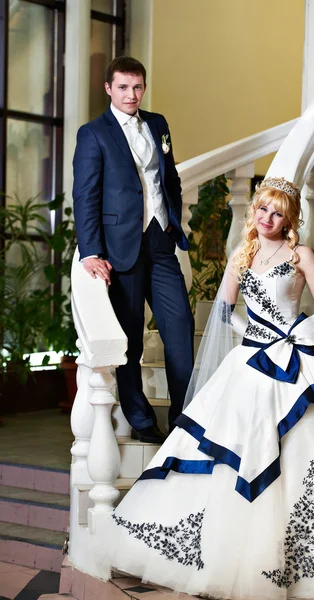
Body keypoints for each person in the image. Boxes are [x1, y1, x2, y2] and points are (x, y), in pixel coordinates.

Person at [103, 177, 314, 600]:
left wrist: (294, 333)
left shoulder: (302, 255)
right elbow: (223, 308)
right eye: (262, 209)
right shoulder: (242, 255)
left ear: (290, 218)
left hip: (296, 361)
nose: (267, 218)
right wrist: (255, 334)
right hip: (251, 357)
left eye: (277, 212)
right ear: (253, 211)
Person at [73, 56, 194, 443]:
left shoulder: (157, 124)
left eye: (137, 87)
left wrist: (172, 221)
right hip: (119, 248)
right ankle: (141, 421)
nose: (131, 94)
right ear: (109, 88)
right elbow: (86, 195)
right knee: (131, 339)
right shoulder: (93, 134)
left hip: (159, 241)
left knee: (179, 330)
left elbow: (167, 176)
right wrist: (91, 250)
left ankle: (183, 419)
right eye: (123, 87)